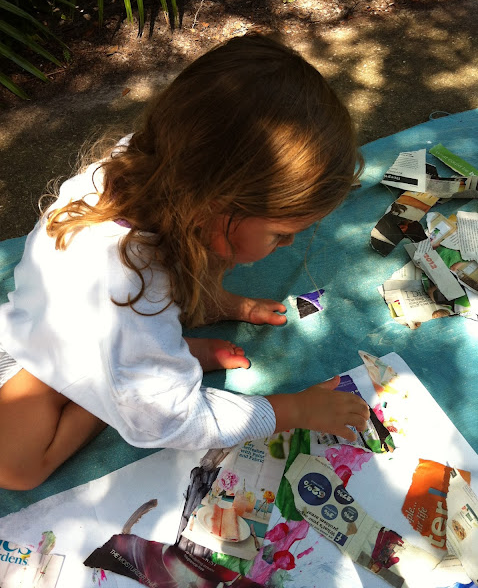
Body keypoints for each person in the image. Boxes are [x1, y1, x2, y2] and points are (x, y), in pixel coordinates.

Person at [0, 33, 370, 491]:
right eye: (280, 233)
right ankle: (117, 387)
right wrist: (293, 409)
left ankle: (143, 369)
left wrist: (228, 305)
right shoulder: (129, 296)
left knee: (136, 359)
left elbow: (172, 271)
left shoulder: (147, 165)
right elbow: (168, 420)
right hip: (37, 350)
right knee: (16, 469)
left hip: (101, 328)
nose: (290, 244)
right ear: (210, 207)